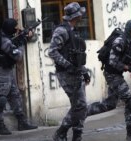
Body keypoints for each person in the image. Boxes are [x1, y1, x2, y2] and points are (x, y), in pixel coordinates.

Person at [86, 20, 131, 141]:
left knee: (109, 104)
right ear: (130, 30)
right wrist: (129, 68)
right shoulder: (120, 41)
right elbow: (113, 61)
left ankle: (83, 111)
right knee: (129, 99)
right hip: (111, 74)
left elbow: (126, 58)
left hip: (117, 74)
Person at [48, 2, 90, 141]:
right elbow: (52, 52)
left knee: (79, 106)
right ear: (76, 16)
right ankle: (62, 132)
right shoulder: (62, 31)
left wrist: (84, 71)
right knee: (80, 105)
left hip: (76, 73)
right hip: (67, 74)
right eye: (80, 14)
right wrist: (68, 66)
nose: (82, 16)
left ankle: (75, 135)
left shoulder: (72, 30)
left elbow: (76, 55)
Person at [0, 18, 38, 135]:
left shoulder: (6, 37)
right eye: (15, 27)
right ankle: (0, 125)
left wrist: (22, 37)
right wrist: (22, 41)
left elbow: (14, 44)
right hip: (1, 71)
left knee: (15, 95)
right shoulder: (4, 40)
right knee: (1, 98)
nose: (16, 29)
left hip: (8, 69)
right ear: (9, 28)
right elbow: (17, 56)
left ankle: (22, 122)